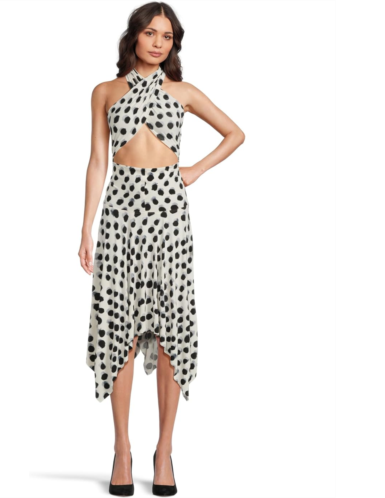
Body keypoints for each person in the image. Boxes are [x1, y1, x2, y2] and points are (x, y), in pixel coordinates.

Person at [79, 2, 245, 495]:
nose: (158, 43)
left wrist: (195, 170)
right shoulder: (105, 91)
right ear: (134, 36)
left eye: (167, 36)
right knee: (121, 329)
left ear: (174, 44)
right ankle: (122, 450)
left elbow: (236, 133)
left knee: (171, 329)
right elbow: (97, 161)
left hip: (170, 217)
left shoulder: (183, 91)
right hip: (120, 216)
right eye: (150, 33)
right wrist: (85, 227)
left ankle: (165, 450)